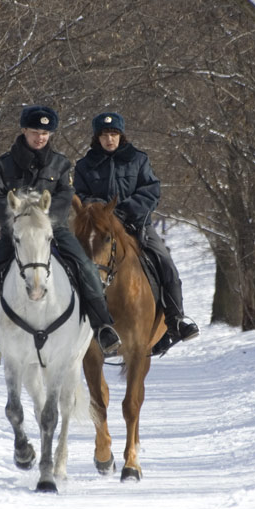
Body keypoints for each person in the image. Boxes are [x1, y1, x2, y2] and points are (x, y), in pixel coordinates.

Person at [0, 105, 122, 368]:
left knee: (88, 269)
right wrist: (17, 224)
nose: (40, 137)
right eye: (35, 131)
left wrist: (44, 223)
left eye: (45, 133)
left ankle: (103, 328)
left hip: (54, 232)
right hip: (15, 234)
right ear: (24, 131)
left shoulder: (60, 163)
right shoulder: (3, 164)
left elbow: (65, 196)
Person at [73, 111, 199, 356]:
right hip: (99, 230)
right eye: (104, 135)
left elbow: (151, 190)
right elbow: (81, 196)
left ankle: (175, 321)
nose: (109, 139)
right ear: (96, 138)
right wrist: (102, 212)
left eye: (114, 134)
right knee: (72, 263)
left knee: (165, 262)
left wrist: (124, 211)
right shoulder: (84, 165)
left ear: (121, 136)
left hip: (137, 226)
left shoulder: (138, 160)